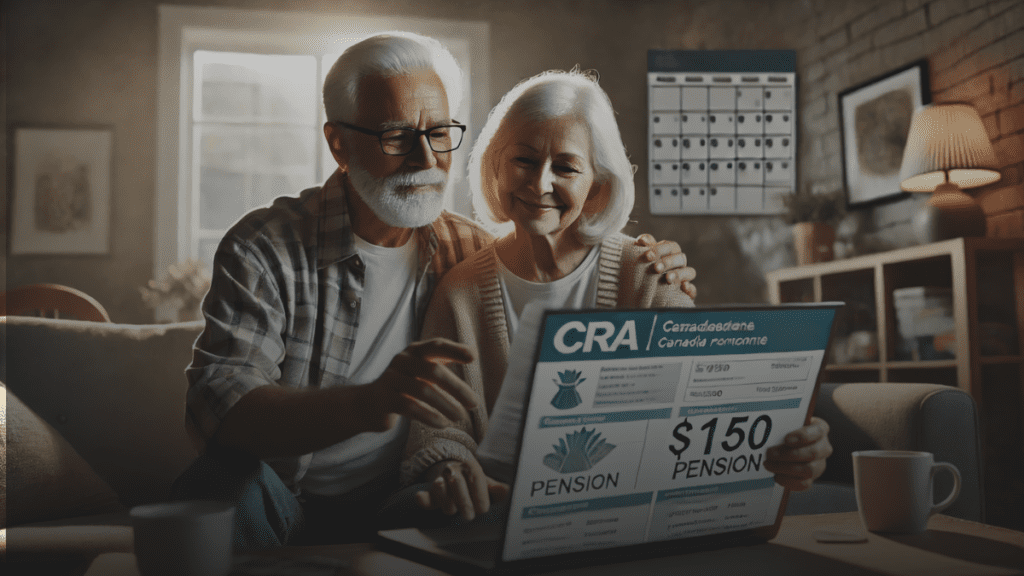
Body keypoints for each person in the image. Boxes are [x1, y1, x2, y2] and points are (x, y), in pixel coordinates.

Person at [175, 33, 697, 549]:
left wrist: (655, 263)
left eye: (439, 132)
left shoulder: (464, 249)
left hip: (399, 496)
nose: (425, 159)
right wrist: (367, 404)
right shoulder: (265, 248)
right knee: (222, 482)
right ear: (339, 143)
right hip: (282, 491)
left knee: (484, 508)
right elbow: (222, 406)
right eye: (396, 136)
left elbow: (547, 246)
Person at [401, 70, 833, 522]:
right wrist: (450, 468)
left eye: (566, 167)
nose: (540, 183)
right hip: (500, 513)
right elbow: (437, 432)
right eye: (524, 161)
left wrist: (788, 434)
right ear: (495, 164)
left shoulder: (648, 273)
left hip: (626, 511)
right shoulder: (461, 291)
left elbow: (705, 404)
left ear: (598, 186)